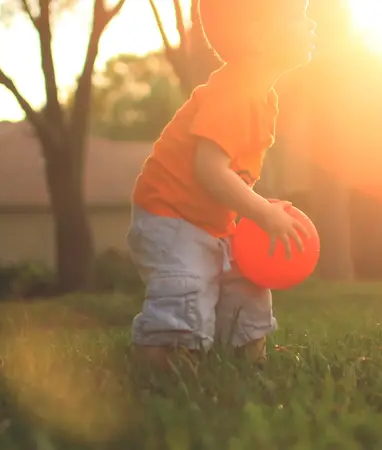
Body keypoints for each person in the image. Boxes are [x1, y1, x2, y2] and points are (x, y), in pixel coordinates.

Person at [127, 0, 317, 369]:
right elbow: (210, 172)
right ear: (260, 36)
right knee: (186, 286)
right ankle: (163, 361)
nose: (310, 23)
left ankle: (245, 357)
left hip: (211, 218)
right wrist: (262, 212)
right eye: (298, 15)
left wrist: (255, 211)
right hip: (171, 215)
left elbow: (230, 176)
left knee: (246, 280)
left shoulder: (261, 96)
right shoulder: (235, 92)